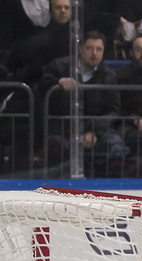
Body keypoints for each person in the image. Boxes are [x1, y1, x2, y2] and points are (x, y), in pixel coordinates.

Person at [38, 30, 126, 176]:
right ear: (80, 49)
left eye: (99, 49)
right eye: (89, 48)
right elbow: (41, 88)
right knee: (55, 145)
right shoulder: (59, 66)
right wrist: (58, 82)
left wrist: (94, 131)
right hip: (64, 130)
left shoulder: (109, 76)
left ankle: (109, 190)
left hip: (97, 130)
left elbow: (114, 110)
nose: (94, 53)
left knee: (115, 145)